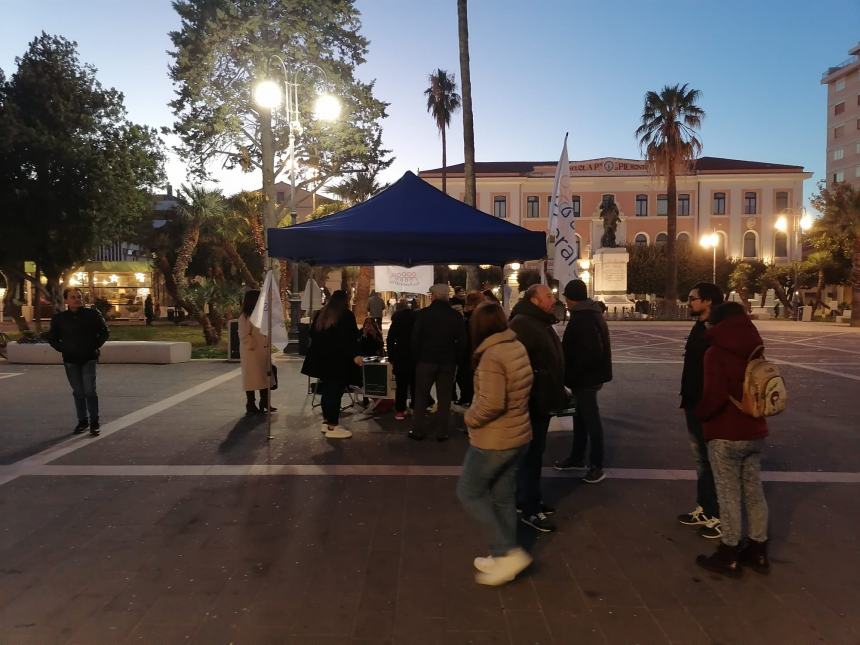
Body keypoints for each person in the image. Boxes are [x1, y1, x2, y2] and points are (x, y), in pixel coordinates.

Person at [456, 302, 534, 586]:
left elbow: (491, 404)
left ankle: (508, 551)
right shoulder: (516, 346)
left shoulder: (491, 356)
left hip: (495, 439)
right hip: (518, 435)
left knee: (469, 492)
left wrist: (469, 417)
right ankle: (503, 558)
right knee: (503, 497)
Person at [694, 302, 770, 576]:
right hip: (754, 428)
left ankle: (729, 552)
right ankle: (758, 549)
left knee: (728, 495)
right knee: (754, 492)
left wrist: (701, 415)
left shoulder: (715, 352)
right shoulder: (755, 347)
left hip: (726, 431)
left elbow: (713, 396)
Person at [510, 284, 567, 533]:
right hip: (532, 401)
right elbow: (517, 367)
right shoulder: (523, 324)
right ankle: (530, 509)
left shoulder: (539, 322)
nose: (553, 298)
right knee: (530, 456)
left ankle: (527, 499)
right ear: (534, 300)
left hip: (541, 398)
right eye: (548, 296)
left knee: (534, 454)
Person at [554, 279, 612, 484]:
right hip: (588, 376)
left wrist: (573, 372)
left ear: (571, 298)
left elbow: (589, 352)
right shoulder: (589, 313)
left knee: (591, 420)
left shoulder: (584, 318)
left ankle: (597, 465)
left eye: (566, 298)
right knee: (581, 418)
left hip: (586, 378)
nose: (565, 302)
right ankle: (577, 457)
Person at [678, 283, 724, 539]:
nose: (689, 302)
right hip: (694, 403)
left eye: (692, 298)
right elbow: (693, 368)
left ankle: (719, 514)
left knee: (715, 461)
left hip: (710, 407)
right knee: (701, 460)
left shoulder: (719, 330)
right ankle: (706, 508)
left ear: (707, 301)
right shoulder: (699, 327)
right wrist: (685, 399)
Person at [48, 287, 110, 436]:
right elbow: (52, 338)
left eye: (79, 296)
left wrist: (94, 346)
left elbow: (104, 332)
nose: (77, 299)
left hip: (88, 358)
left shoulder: (92, 314)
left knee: (89, 390)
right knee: (78, 392)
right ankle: (82, 421)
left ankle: (94, 422)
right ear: (66, 300)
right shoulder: (60, 318)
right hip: (70, 360)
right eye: (73, 297)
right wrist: (63, 348)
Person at [408, 284, 466, 442]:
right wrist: (456, 360)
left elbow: (415, 339)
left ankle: (418, 430)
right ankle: (442, 431)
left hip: (425, 360)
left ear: (433, 296)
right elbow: (462, 342)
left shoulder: (423, 314)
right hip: (447, 362)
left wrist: (417, 358)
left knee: (421, 396)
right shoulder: (455, 316)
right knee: (445, 397)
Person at [301, 290, 362, 439]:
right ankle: (332, 425)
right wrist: (355, 355)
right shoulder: (346, 315)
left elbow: (312, 334)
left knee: (327, 390)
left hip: (322, 361)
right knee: (335, 392)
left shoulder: (322, 313)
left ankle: (327, 421)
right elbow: (350, 338)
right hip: (338, 361)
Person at [238, 290, 276, 416]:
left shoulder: (261, 315)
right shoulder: (245, 317)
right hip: (252, 353)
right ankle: (251, 403)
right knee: (252, 379)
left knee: (265, 377)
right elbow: (244, 335)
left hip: (263, 351)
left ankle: (265, 402)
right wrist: (253, 345)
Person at [387, 300, 417, 421]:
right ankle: (415, 407)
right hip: (415, 355)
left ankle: (400, 410)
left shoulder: (397, 320)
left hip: (401, 356)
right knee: (415, 384)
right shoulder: (416, 317)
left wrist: (391, 356)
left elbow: (390, 339)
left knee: (401, 385)